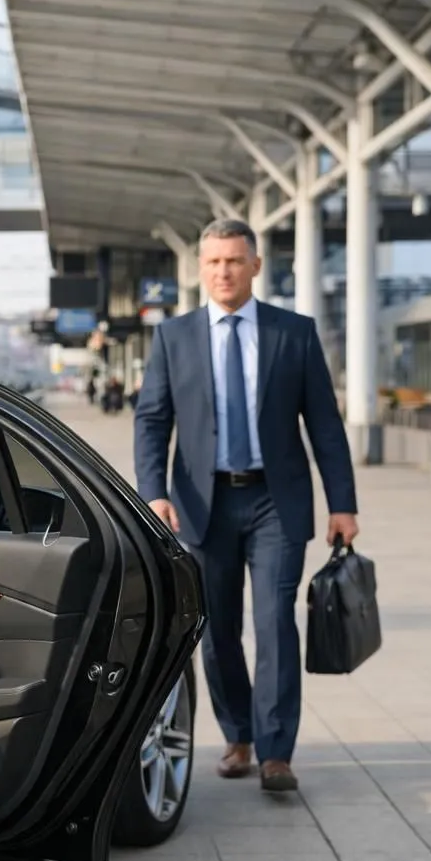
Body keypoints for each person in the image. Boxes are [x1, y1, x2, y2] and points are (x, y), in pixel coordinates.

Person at [133, 217, 358, 793]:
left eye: (234, 260)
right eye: (213, 262)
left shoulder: (294, 333)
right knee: (217, 629)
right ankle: (238, 737)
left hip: (275, 502)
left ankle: (277, 752)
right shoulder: (173, 337)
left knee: (276, 621)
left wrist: (342, 503)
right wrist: (153, 492)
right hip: (202, 505)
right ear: (200, 268)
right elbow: (152, 420)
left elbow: (325, 425)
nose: (223, 271)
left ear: (256, 265)